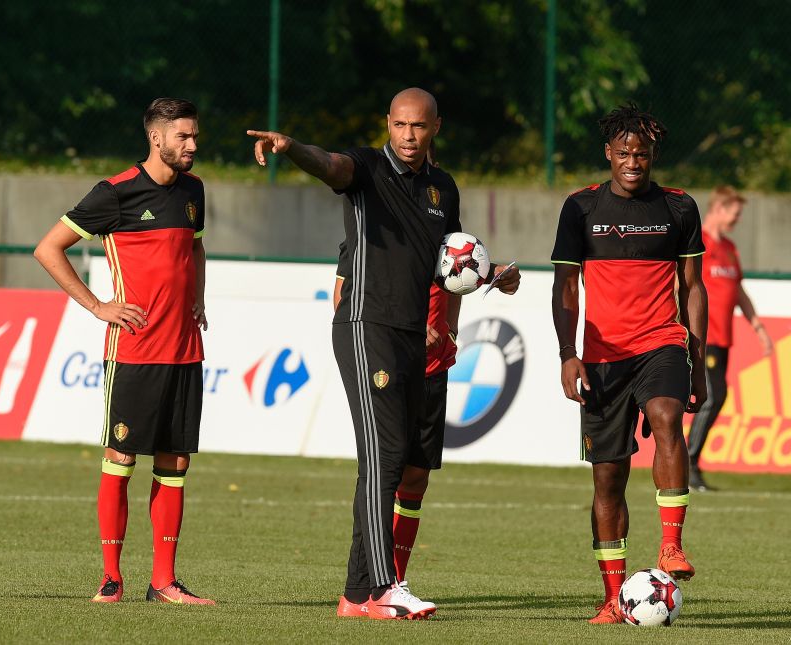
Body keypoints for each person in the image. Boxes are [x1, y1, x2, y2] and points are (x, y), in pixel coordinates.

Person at [248, 88, 516, 620]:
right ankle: (384, 586)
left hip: (414, 334)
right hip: (366, 326)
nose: (409, 136)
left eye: (418, 126)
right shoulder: (368, 170)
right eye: (399, 126)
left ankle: (355, 595)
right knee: (385, 454)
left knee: (396, 459)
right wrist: (293, 146)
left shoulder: (443, 188)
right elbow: (331, 165)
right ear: (387, 125)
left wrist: (491, 276)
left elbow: (447, 263)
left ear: (435, 127)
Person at [34, 98, 213, 605]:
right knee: (120, 459)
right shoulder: (115, 193)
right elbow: (48, 249)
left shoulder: (195, 191)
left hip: (185, 351)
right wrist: (97, 305)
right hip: (135, 352)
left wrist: (197, 295)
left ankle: (165, 582)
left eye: (194, 135)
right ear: (156, 138)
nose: (193, 145)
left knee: (174, 465)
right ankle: (111, 579)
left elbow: (195, 246)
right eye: (183, 136)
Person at [551, 104, 708, 624]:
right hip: (601, 359)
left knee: (667, 417)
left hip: (662, 342)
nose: (632, 162)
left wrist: (699, 359)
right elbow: (566, 287)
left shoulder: (680, 208)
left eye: (640, 153)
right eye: (623, 153)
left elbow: (692, 287)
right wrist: (568, 353)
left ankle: (670, 547)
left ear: (653, 155)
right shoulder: (579, 208)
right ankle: (614, 599)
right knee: (607, 480)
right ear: (608, 154)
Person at [687, 186, 773, 491]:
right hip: (701, 338)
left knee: (714, 397)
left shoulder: (730, 249)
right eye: (734, 214)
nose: (737, 219)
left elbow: (737, 292)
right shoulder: (699, 244)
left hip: (723, 340)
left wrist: (758, 328)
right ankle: (687, 463)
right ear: (719, 209)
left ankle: (688, 462)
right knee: (712, 395)